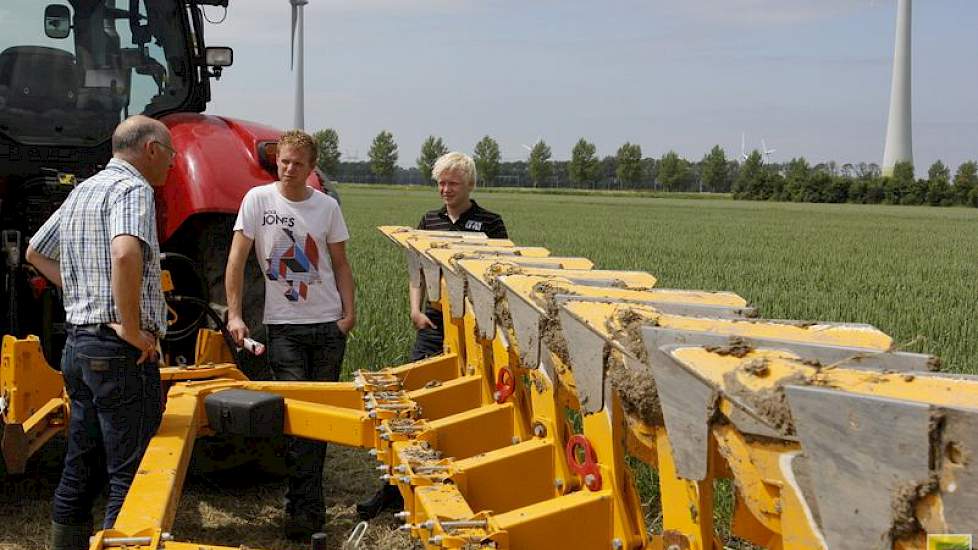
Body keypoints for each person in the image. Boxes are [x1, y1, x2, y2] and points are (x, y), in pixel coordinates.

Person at [26, 115, 173, 550]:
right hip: (117, 351)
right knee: (131, 472)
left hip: (78, 346)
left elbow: (36, 252)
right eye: (170, 154)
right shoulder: (134, 190)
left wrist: (86, 293)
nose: (171, 164)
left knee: (82, 459)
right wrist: (130, 327)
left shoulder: (82, 190)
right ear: (150, 150)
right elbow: (126, 255)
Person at [356, 151, 507, 520]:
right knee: (410, 403)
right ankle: (394, 490)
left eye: (452, 183)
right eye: (440, 183)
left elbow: (502, 277)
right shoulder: (429, 220)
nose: (445, 189)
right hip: (434, 326)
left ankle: (464, 484)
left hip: (475, 332)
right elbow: (417, 271)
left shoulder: (490, 223)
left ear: (469, 184)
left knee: (466, 407)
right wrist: (415, 308)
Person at [224, 130, 355, 541]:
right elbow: (236, 260)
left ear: (311, 167)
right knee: (297, 419)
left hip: (328, 326)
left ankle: (306, 510)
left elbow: (340, 264)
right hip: (284, 329)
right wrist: (234, 314)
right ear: (276, 161)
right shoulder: (257, 201)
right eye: (283, 161)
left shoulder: (326, 207)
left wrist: (348, 315)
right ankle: (302, 511)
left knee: (320, 422)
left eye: (298, 163)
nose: (289, 169)